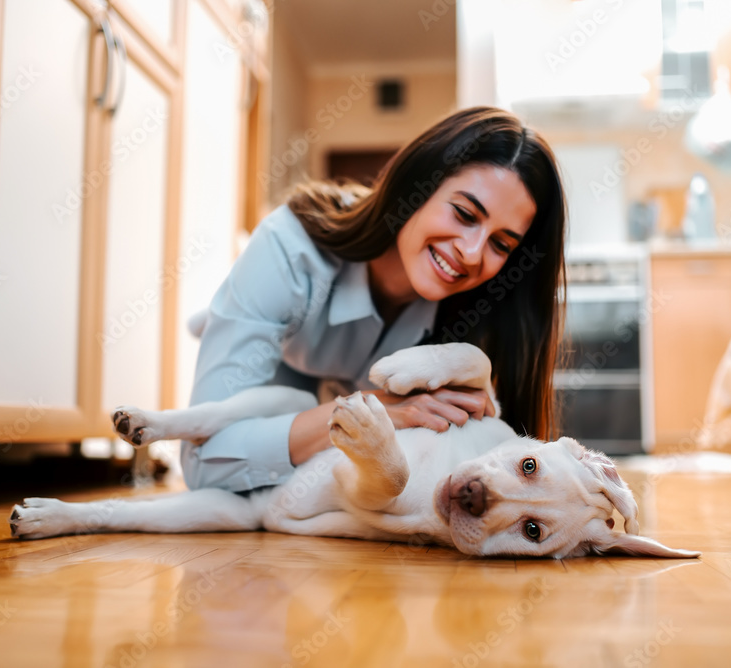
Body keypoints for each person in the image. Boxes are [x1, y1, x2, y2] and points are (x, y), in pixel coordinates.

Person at [181, 106, 567, 493]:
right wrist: (370, 411)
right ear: (417, 186)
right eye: (465, 214)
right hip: (273, 362)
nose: (471, 252)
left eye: (500, 244)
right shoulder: (289, 248)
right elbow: (205, 466)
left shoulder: (481, 312)